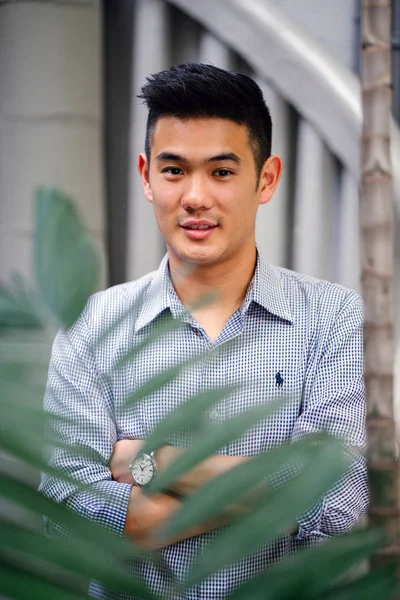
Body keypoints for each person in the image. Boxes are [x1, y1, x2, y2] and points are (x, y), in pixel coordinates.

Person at [40, 63, 368, 599]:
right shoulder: (91, 327)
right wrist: (274, 490)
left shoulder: (332, 319)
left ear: (265, 179)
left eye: (221, 172)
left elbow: (336, 501)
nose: (195, 197)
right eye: (174, 171)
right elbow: (68, 515)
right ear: (146, 176)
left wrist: (148, 461)